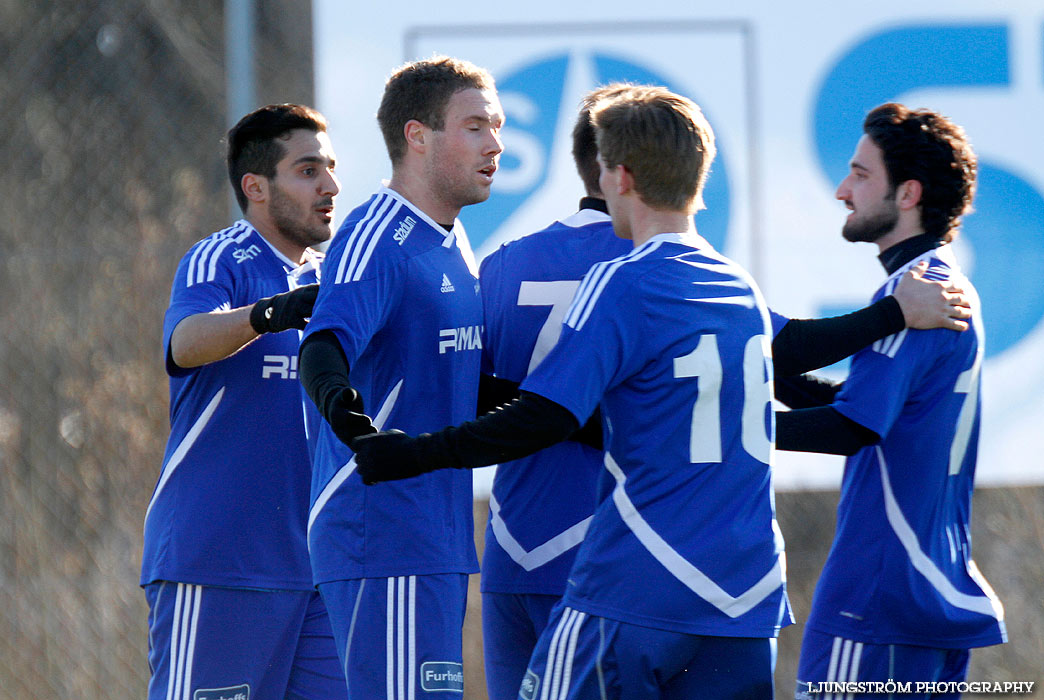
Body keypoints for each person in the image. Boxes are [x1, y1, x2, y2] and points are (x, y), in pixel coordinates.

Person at [475, 87, 973, 700]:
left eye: (858, 175)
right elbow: (779, 365)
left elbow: (472, 393)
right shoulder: (692, 271)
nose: (842, 190)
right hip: (666, 569)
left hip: (541, 551)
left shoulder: (501, 263)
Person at [355, 84, 790, 699]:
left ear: (616, 176)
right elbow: (784, 391)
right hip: (744, 592)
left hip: (632, 580)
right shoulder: (736, 284)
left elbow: (541, 416)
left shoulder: (615, 280)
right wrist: (888, 322)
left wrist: (413, 453)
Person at [775, 104, 1007, 698]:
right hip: (924, 593)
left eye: (859, 174)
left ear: (907, 193)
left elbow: (852, 427)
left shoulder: (916, 294)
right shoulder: (943, 284)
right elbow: (868, 408)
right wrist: (755, 368)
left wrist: (723, 423)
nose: (841, 189)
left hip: (877, 600)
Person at [297, 56, 503, 699]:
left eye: (496, 125)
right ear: (418, 136)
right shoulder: (376, 233)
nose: (496, 143)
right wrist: (358, 432)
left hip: (437, 541)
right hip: (380, 535)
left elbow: (454, 379)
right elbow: (322, 347)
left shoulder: (451, 241)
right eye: (474, 126)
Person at [141, 104, 346, 700]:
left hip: (319, 572)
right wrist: (265, 315)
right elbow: (184, 342)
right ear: (255, 187)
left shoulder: (336, 275)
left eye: (331, 168)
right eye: (308, 170)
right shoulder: (220, 258)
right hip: (218, 564)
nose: (330, 185)